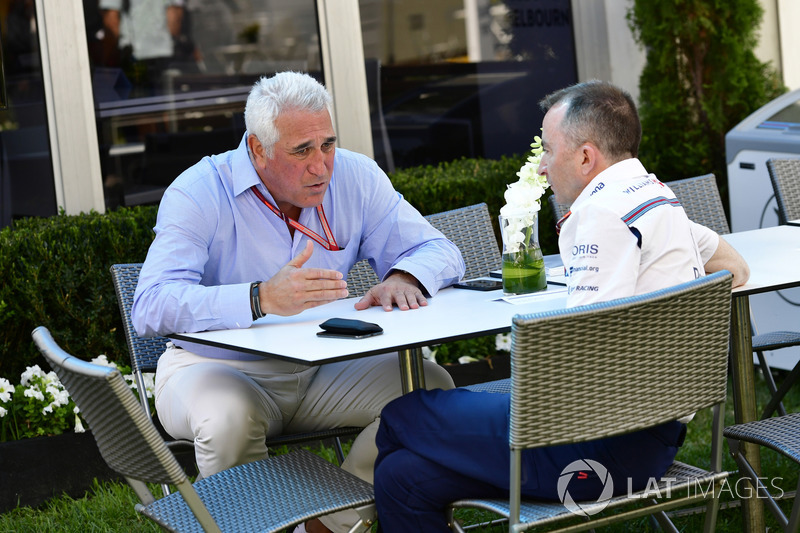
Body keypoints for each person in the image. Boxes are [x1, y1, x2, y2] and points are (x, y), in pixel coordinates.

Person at [372, 80, 750, 532]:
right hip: (656, 438)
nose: (543, 167)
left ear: (586, 157)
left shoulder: (599, 213)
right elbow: (734, 268)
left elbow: (584, 349)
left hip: (590, 449)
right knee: (403, 478)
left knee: (403, 415)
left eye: (549, 151)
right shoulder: (655, 198)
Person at [131, 71, 464, 533]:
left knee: (428, 387)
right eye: (302, 150)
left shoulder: (356, 175)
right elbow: (150, 305)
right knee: (227, 417)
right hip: (213, 369)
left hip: (322, 368)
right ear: (257, 149)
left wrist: (405, 274)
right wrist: (258, 297)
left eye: (326, 144)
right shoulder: (199, 191)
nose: (321, 166)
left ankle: (328, 525)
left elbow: (439, 249)